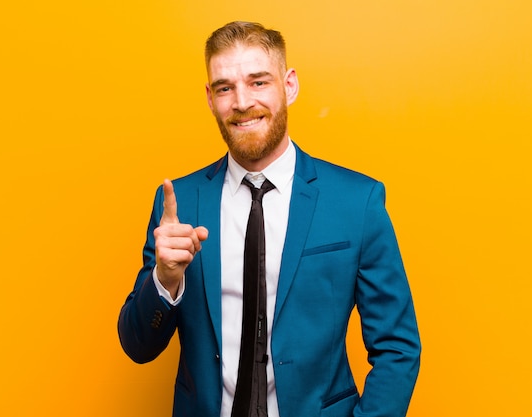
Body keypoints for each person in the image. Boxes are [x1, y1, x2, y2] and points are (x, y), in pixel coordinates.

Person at [118, 21, 421, 417]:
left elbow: (397, 347)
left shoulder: (356, 202)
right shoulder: (179, 203)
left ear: (289, 85)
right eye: (225, 87)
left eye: (258, 82)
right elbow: (138, 345)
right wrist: (165, 279)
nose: (242, 101)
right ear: (210, 98)